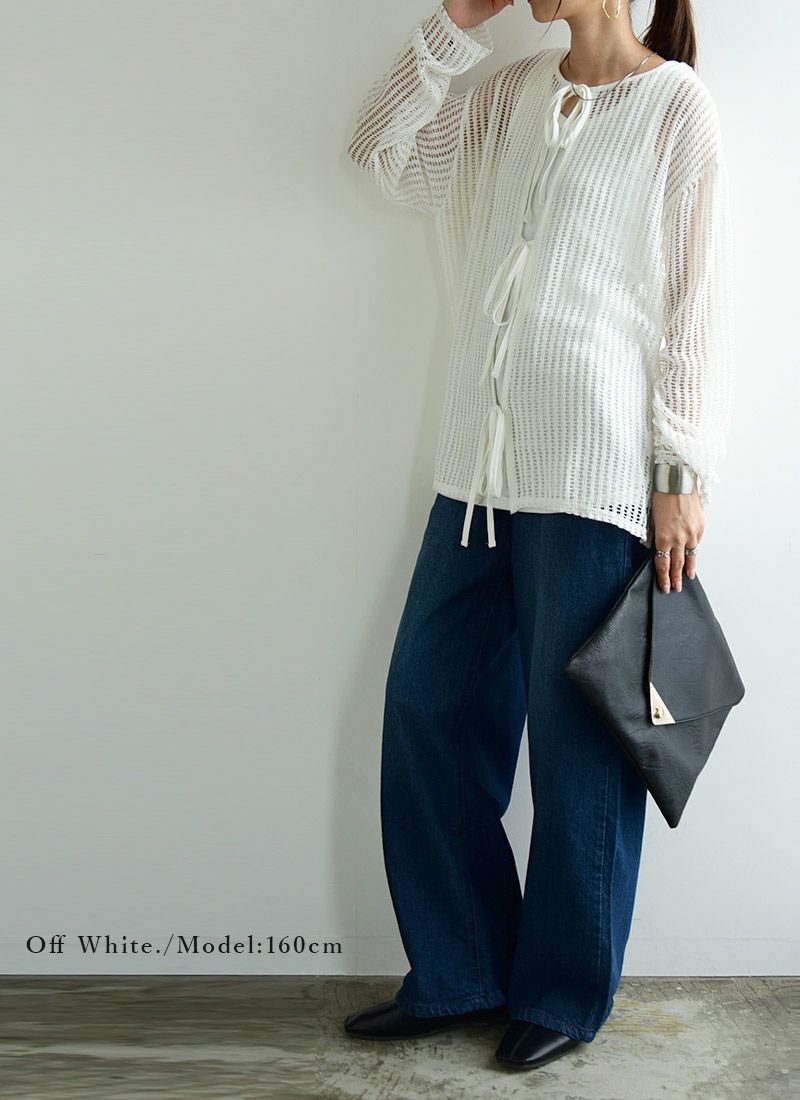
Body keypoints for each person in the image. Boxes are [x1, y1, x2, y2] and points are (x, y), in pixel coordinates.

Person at [342, 0, 735, 1072]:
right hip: (477, 475)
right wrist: (458, 20)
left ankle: (561, 990)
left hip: (593, 475)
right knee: (428, 710)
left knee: (579, 749)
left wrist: (678, 473)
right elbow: (377, 150)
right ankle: (461, 968)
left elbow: (694, 305)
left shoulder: (675, 107)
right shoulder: (510, 95)